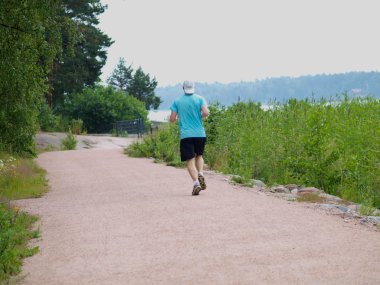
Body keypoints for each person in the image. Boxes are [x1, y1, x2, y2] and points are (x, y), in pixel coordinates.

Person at [169, 80, 209, 196]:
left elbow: (172, 119)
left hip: (186, 135)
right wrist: (199, 116)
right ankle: (201, 173)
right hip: (200, 133)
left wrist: (179, 118)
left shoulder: (177, 101)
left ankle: (196, 183)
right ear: (194, 87)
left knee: (190, 160)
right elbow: (206, 113)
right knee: (199, 156)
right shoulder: (199, 99)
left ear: (183, 88)